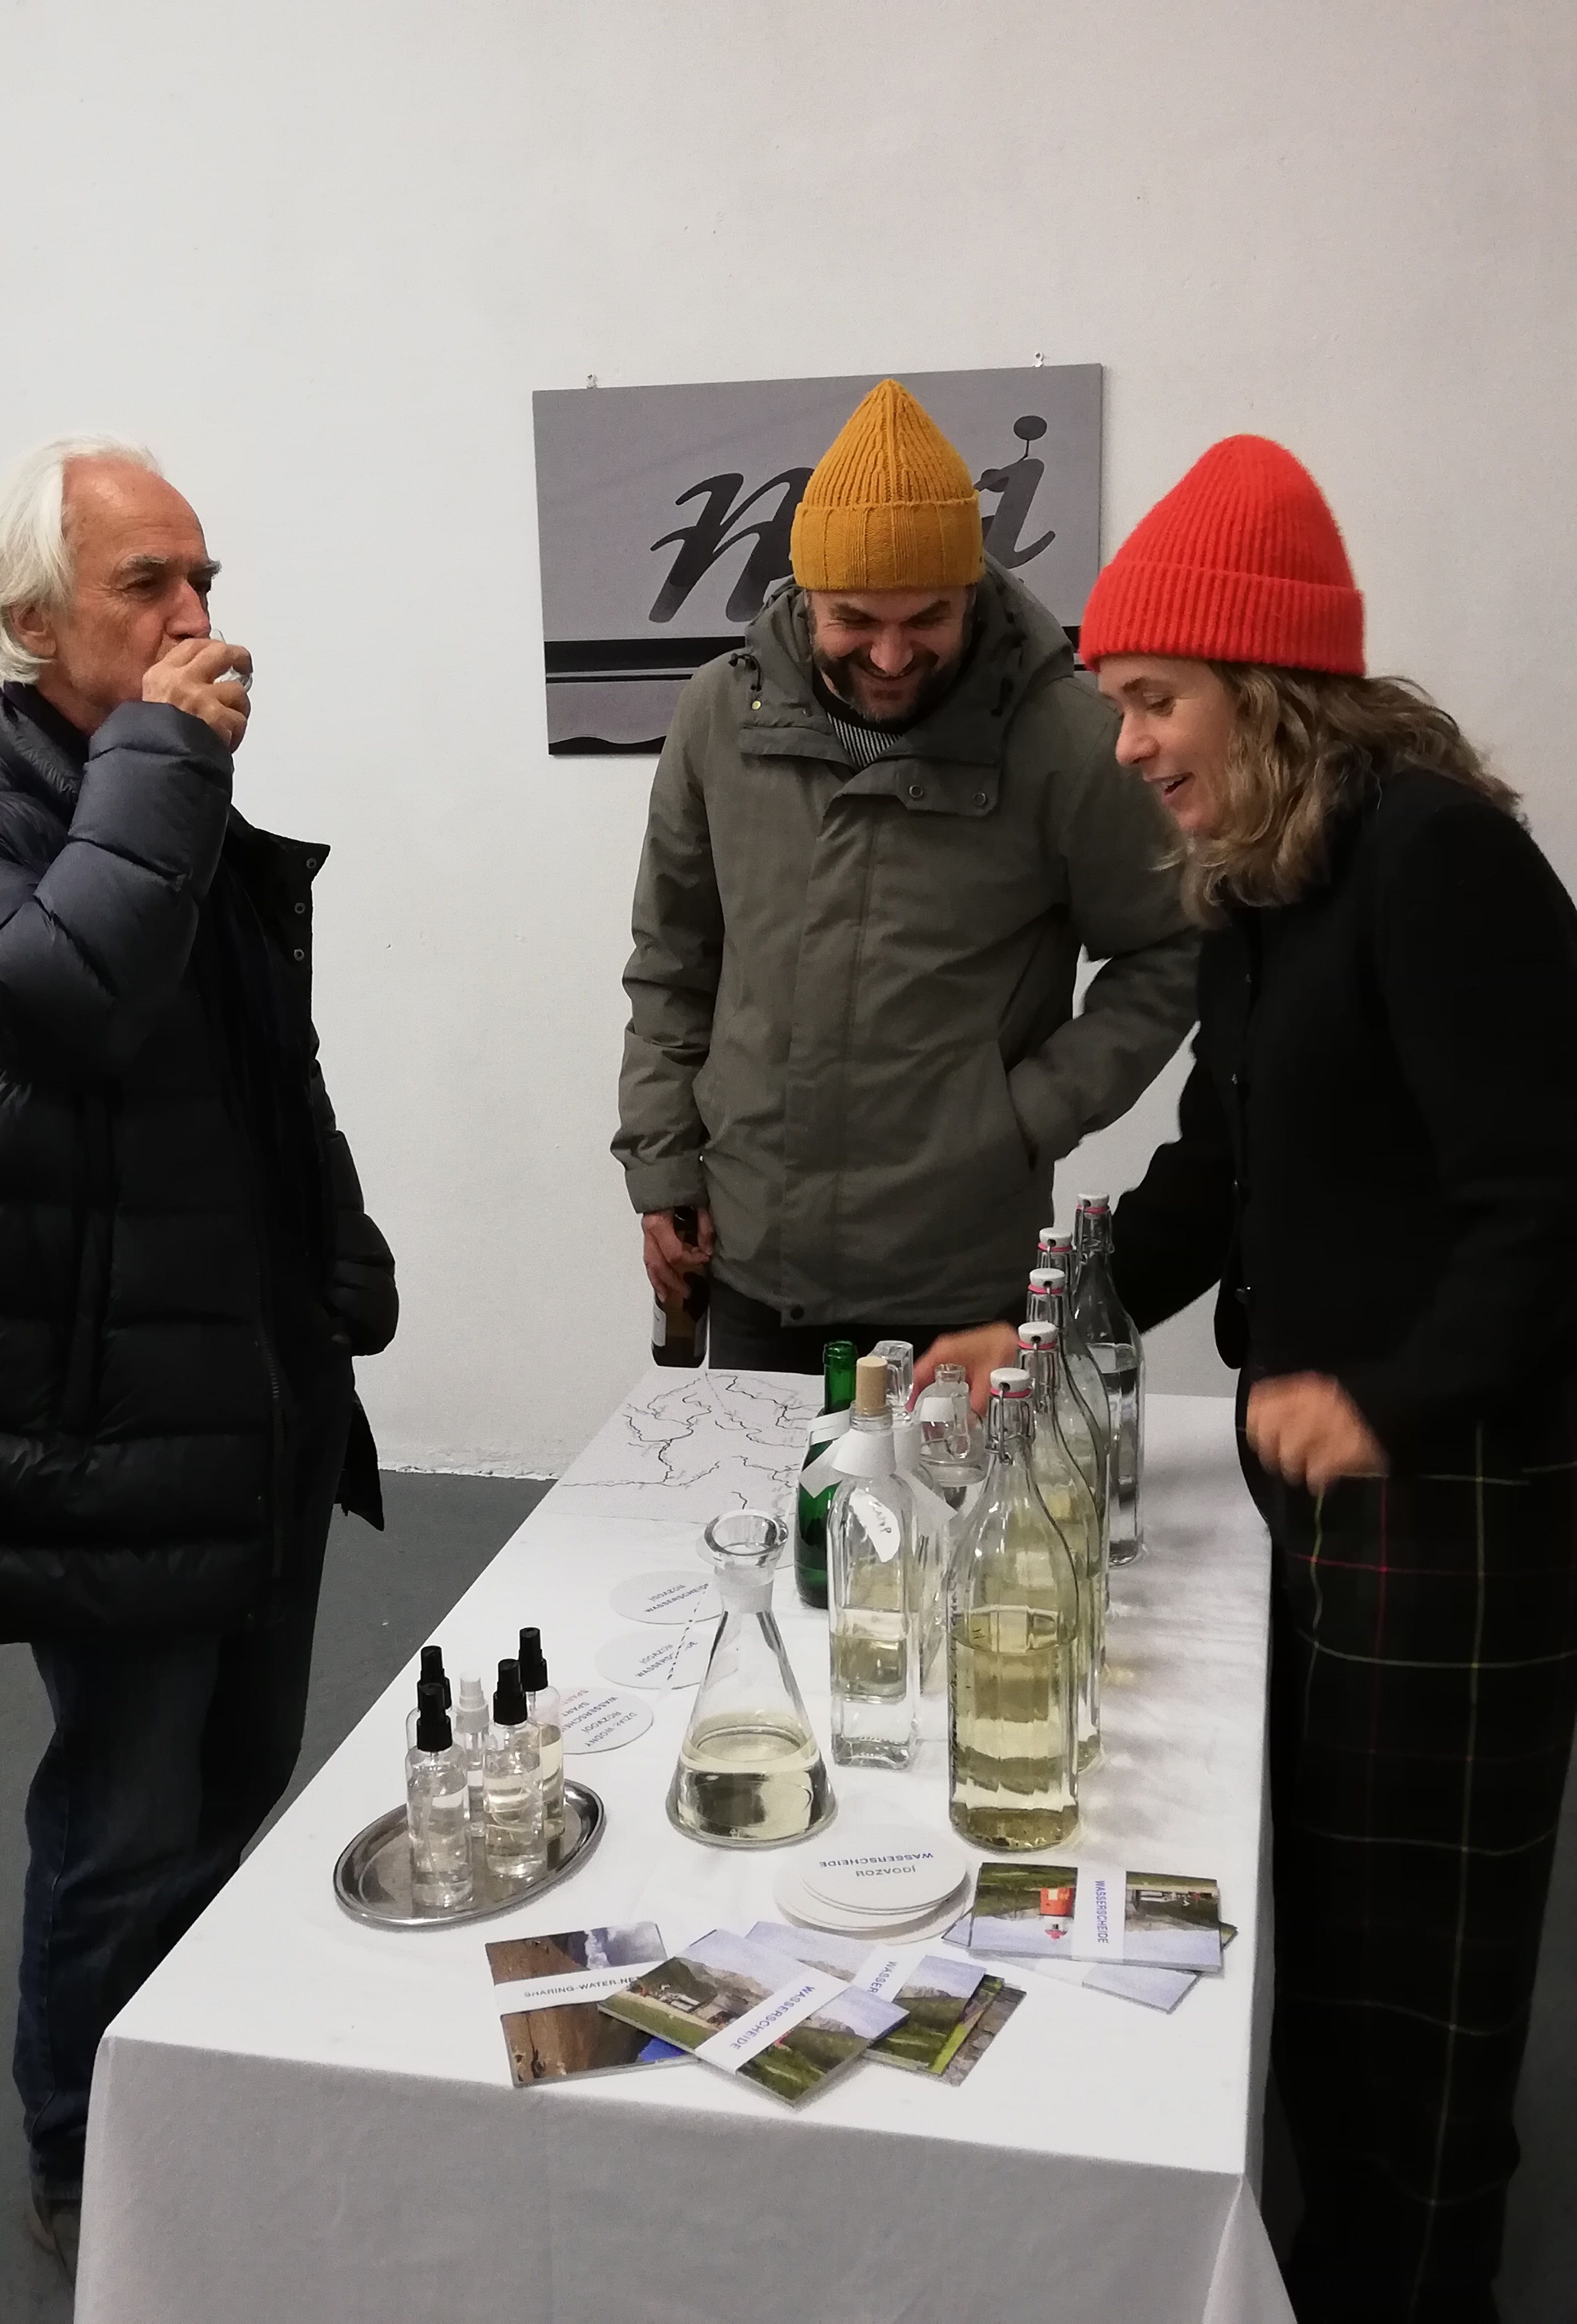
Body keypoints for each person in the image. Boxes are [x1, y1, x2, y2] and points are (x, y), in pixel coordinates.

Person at [920, 433, 1577, 2322]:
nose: (1127, 743)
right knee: (1328, 1937)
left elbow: (1548, 1198)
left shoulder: (1436, 859)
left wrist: (1388, 1400)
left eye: (1153, 699)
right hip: (1336, 1473)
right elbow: (1219, 1174)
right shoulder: (1268, 885)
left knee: (1415, 1992)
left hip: (1455, 1497)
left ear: (1267, 686)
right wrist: (1053, 1322)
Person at [0, 436, 397, 2275]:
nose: (196, 616)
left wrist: (336, 1264)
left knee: (240, 1783)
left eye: (204, 580)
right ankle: (84, 2156)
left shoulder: (176, 813)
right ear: (31, 623)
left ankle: (191, 2092)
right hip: (100, 1413)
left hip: (256, 1389)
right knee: (120, 1812)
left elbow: (264, 1073)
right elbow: (65, 997)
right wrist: (166, 760)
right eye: (146, 584)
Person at [615, 378, 1198, 1372]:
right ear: (805, 596)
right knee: (770, 1483)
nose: (891, 656)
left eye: (928, 618)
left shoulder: (1068, 739)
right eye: (854, 620)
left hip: (961, 1287)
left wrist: (1025, 1115)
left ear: (972, 591)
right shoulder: (718, 714)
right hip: (754, 1265)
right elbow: (674, 961)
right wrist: (663, 1165)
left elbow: (1174, 946)